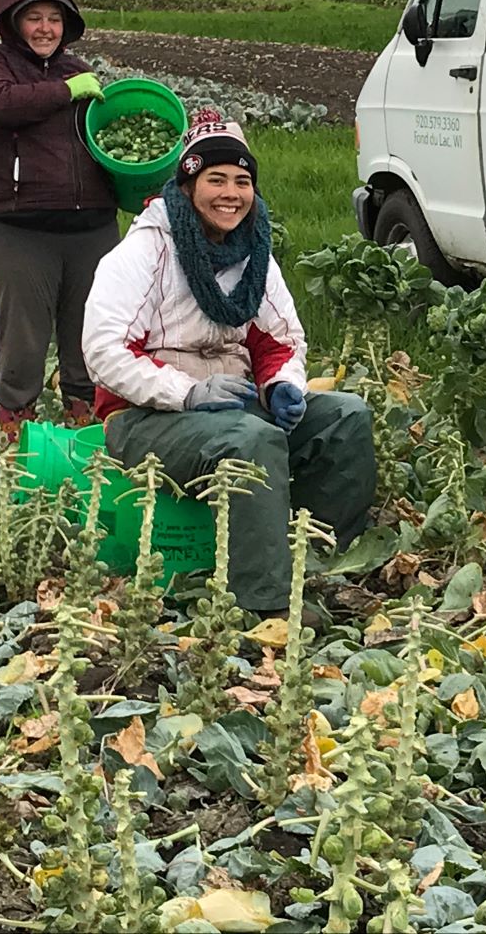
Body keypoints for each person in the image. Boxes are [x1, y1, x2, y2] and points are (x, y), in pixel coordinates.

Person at [82, 113, 376, 616]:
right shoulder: (142, 253)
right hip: (145, 418)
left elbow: (279, 340)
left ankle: (317, 564)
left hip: (235, 407)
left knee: (347, 417)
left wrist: (281, 384)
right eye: (215, 179)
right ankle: (262, 602)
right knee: (250, 439)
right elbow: (104, 351)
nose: (231, 193)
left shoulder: (253, 253)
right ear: (188, 185)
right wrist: (189, 393)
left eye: (242, 181)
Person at [0, 0, 118, 444]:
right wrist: (65, 92)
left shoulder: (80, 72)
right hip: (20, 225)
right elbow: (0, 103)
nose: (46, 28)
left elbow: (107, 143)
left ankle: (87, 428)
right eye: (35, 17)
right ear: (13, 22)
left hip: (92, 227)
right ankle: (17, 436)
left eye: (56, 18)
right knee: (24, 341)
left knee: (92, 336)